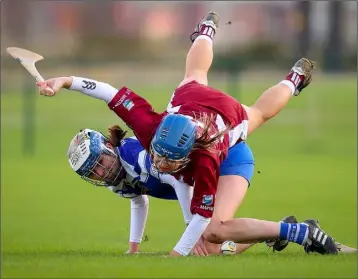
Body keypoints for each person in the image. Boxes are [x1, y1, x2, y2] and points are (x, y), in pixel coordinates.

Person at [37, 12, 338, 256]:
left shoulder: (207, 158)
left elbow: (199, 214)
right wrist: (65, 80)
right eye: (158, 155)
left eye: (171, 162)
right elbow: (108, 93)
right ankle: (206, 31)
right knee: (194, 76)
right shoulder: (149, 128)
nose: (161, 165)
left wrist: (179, 253)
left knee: (259, 114)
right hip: (190, 99)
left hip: (225, 129)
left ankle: (293, 80)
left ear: (188, 156)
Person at [67, 124, 255, 255]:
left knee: (210, 240)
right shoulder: (116, 180)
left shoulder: (135, 156)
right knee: (211, 245)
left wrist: (191, 229)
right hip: (204, 178)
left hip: (225, 160)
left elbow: (180, 182)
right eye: (92, 172)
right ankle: (264, 235)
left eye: (100, 161)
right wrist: (134, 248)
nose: (101, 172)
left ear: (109, 146)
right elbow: (138, 201)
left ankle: (271, 232)